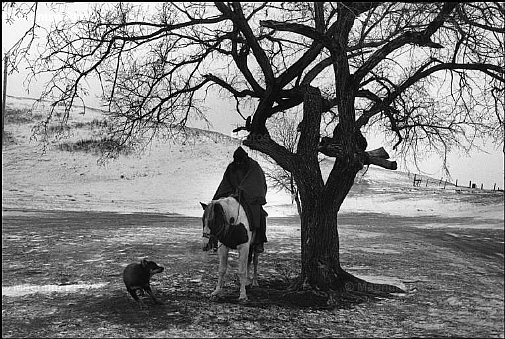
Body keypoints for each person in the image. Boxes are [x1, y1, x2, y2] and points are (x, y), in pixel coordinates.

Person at [211, 146, 268, 253]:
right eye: (236, 160)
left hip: (250, 196)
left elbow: (255, 180)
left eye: (239, 160)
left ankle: (258, 241)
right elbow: (225, 183)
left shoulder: (253, 165)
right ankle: (214, 238)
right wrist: (219, 197)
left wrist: (242, 190)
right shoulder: (231, 167)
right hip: (232, 195)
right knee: (216, 211)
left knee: (259, 214)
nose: (238, 163)